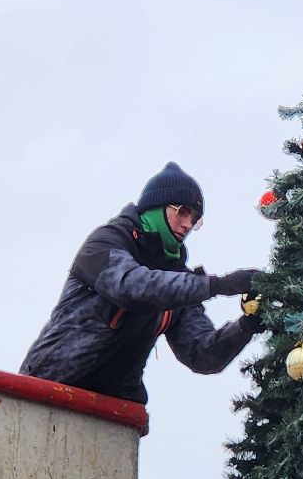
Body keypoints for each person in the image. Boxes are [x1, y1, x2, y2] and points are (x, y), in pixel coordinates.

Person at [20, 162, 264, 405]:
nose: (188, 224)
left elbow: (202, 354)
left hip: (115, 407)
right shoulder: (106, 243)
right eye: (183, 212)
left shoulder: (180, 283)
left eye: (195, 219)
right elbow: (130, 286)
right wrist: (218, 285)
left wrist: (246, 326)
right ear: (156, 207)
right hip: (47, 388)